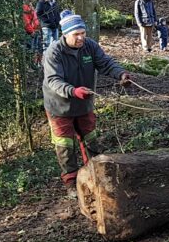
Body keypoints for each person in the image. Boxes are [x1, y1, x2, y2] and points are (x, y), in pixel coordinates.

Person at [43, 13, 131, 188]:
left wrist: (121, 74)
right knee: (65, 147)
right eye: (76, 34)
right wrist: (73, 91)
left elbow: (105, 62)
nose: (81, 37)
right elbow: (53, 80)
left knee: (90, 139)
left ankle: (94, 174)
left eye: (83, 32)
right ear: (65, 34)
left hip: (84, 104)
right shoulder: (53, 52)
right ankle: (72, 184)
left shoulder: (89, 46)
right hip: (59, 106)